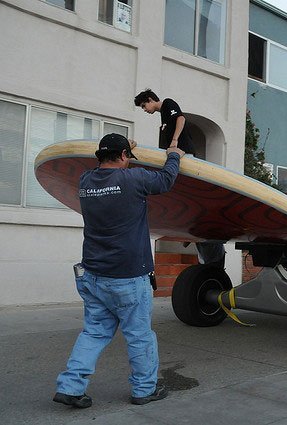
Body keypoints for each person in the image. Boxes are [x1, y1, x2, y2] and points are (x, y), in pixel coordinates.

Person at [53, 134, 185, 408]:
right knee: (139, 336)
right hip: (127, 277)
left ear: (100, 156)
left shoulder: (85, 181)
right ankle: (144, 390)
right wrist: (174, 155)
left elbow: (105, 167)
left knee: (94, 332)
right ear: (124, 156)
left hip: (92, 274)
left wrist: (123, 150)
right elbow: (166, 180)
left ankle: (70, 386)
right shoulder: (133, 179)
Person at [134, 89, 195, 155]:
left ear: (150, 100)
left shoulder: (167, 103)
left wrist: (174, 140)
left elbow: (181, 119)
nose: (144, 110)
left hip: (184, 151)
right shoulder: (163, 114)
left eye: (144, 106)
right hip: (175, 153)